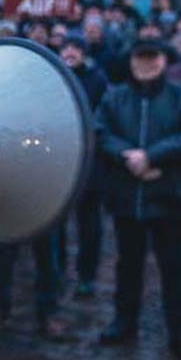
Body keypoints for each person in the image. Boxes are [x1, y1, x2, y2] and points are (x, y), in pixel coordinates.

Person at [95, 39, 181, 360]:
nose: (146, 65)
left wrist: (154, 156)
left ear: (164, 60)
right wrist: (126, 156)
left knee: (174, 268)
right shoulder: (116, 96)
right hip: (127, 196)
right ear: (131, 61)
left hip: (169, 196)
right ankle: (124, 320)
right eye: (140, 59)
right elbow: (100, 130)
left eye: (153, 59)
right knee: (127, 265)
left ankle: (180, 331)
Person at [59, 37, 109, 294]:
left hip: (89, 160)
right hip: (59, 160)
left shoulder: (97, 79)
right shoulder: (53, 77)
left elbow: (103, 116)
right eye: (66, 47)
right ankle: (59, 274)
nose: (70, 52)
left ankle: (86, 275)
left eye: (76, 49)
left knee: (89, 223)